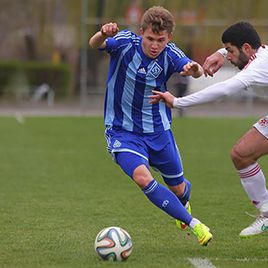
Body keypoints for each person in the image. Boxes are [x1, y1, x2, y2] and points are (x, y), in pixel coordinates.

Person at [89, 6, 212, 246]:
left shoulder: (171, 53)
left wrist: (194, 69)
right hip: (122, 131)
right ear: (141, 32)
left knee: (178, 188)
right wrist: (103, 33)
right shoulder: (125, 42)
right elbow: (95, 44)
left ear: (169, 38)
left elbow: (195, 70)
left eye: (160, 40)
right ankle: (195, 224)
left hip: (158, 131)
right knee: (142, 178)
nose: (154, 45)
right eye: (150, 39)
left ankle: (182, 201)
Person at [150, 21, 268, 238]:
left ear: (247, 48)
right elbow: (239, 50)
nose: (229, 58)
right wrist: (222, 52)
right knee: (241, 155)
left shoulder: (257, 67)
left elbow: (223, 89)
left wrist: (178, 102)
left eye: (232, 51)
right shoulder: (259, 53)